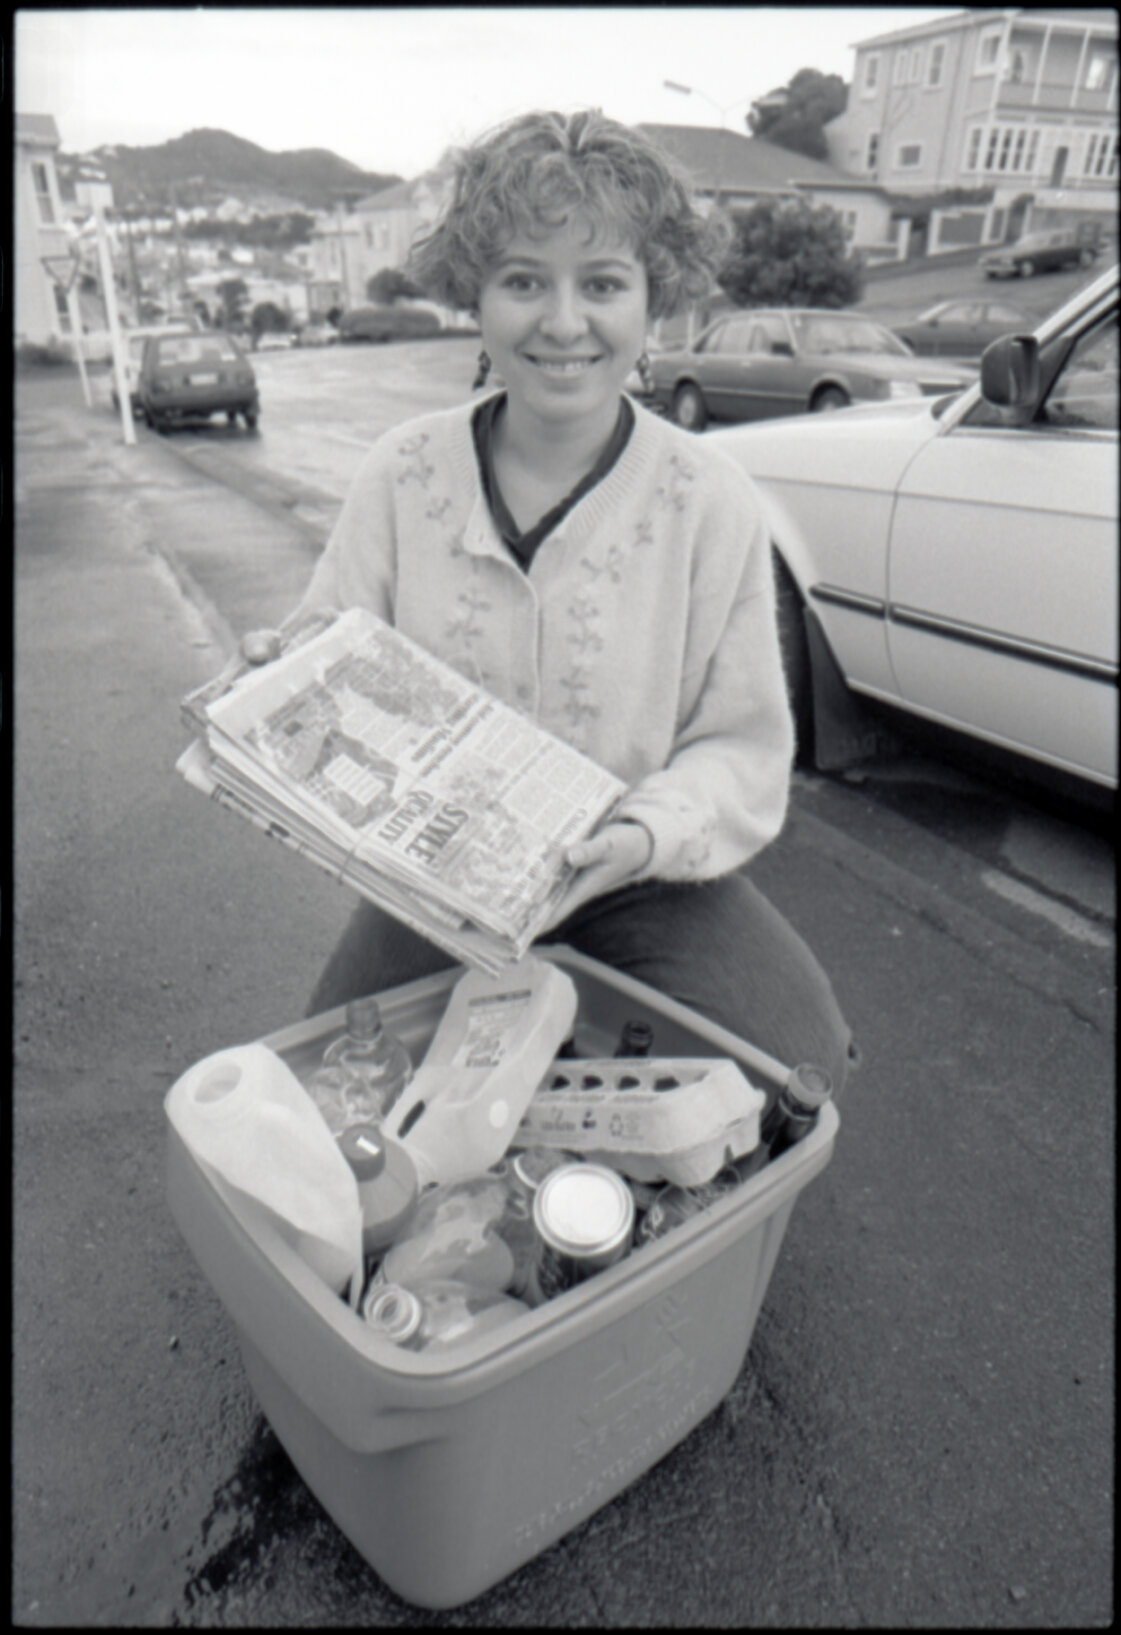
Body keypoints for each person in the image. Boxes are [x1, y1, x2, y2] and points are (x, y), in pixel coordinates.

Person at [246, 109, 856, 1096]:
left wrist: (643, 835)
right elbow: (331, 659)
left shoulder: (708, 500)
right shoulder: (401, 474)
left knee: (799, 1065)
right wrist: (275, 693)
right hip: (437, 890)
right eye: (523, 279)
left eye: (603, 283)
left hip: (634, 878)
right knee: (328, 1083)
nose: (563, 322)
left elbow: (740, 748)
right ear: (474, 296)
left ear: (654, 300)